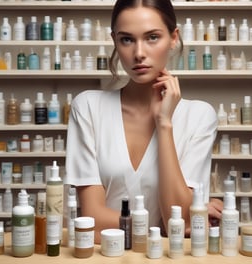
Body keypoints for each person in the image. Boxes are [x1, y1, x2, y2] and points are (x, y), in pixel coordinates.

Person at [65, 0, 223, 243]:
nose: (139, 53)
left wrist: (164, 124)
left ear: (173, 38)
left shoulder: (200, 116)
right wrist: (159, 226)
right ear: (115, 41)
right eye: (127, 39)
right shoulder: (87, 108)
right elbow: (92, 220)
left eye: (152, 37)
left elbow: (177, 222)